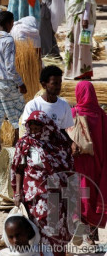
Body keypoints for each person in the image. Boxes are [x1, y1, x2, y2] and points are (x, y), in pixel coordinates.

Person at [12, 110, 77, 255]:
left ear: (46, 127)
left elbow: (68, 168)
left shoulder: (58, 144)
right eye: (31, 129)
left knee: (56, 228)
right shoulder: (25, 144)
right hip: (34, 196)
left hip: (56, 195)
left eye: (37, 129)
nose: (34, 132)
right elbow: (19, 169)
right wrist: (17, 193)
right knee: (36, 229)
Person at [72, 81, 107, 244]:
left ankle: (82, 232)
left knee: (81, 197)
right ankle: (91, 236)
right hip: (97, 165)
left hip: (79, 165)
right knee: (92, 198)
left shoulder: (73, 113)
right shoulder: (101, 115)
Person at [0, 11, 27, 151]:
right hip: (6, 82)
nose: (12, 25)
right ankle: (17, 146)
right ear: (8, 23)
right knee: (19, 113)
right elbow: (10, 67)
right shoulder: (9, 40)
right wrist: (20, 83)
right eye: (12, 22)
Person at [64, 0, 96, 80]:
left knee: (82, 44)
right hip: (73, 18)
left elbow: (87, 1)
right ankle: (72, 71)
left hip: (81, 18)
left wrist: (86, 18)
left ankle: (83, 72)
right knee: (71, 44)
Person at [22, 65, 74, 133]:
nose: (58, 86)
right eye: (54, 83)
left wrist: (72, 143)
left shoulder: (64, 105)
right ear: (44, 85)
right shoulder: (33, 106)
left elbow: (62, 131)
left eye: (60, 83)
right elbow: (29, 132)